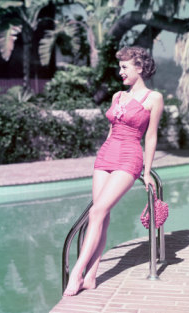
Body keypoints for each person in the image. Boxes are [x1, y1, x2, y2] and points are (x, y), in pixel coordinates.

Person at [63, 46, 164, 296]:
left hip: (130, 157)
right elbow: (111, 130)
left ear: (139, 68)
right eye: (120, 67)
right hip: (106, 154)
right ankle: (92, 277)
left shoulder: (154, 98)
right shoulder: (117, 96)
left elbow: (151, 138)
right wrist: (103, 153)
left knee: (97, 211)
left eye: (125, 67)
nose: (120, 72)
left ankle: (77, 271)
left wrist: (148, 171)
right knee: (102, 216)